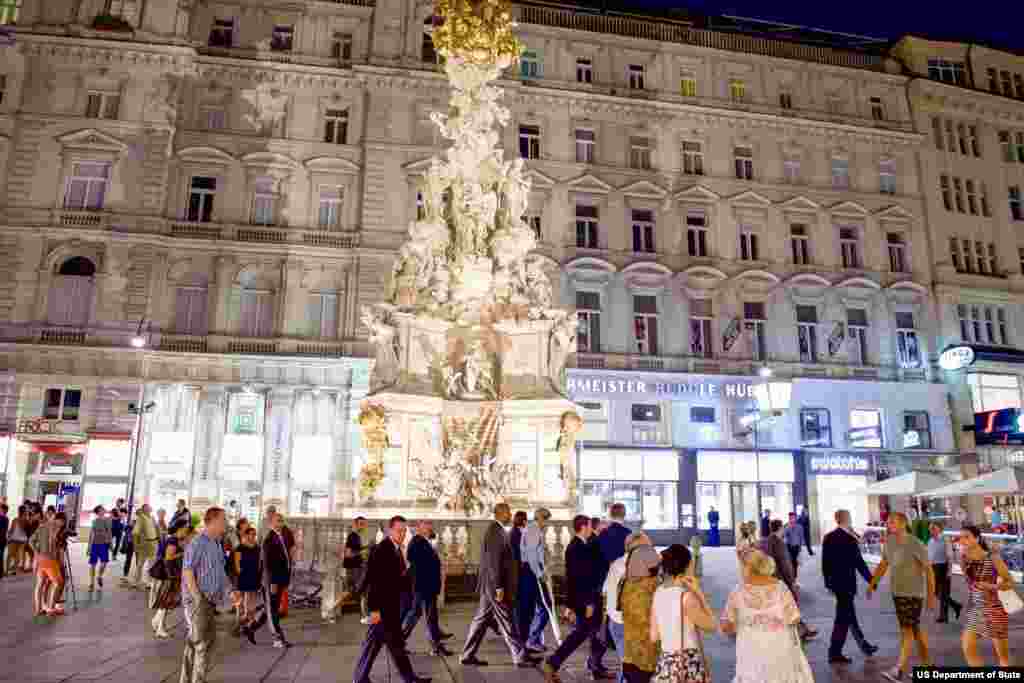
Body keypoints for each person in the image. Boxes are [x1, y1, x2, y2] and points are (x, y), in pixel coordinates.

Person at [352, 516, 432, 683]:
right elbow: (374, 582)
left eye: (405, 531)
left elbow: (396, 578)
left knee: (395, 646)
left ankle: (409, 678)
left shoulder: (395, 548)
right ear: (390, 530)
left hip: (391, 609)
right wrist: (373, 610)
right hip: (382, 610)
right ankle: (360, 678)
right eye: (399, 530)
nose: (402, 534)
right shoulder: (382, 549)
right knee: (376, 645)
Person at [461, 503, 538, 668]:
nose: (510, 515)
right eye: (508, 512)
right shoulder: (495, 531)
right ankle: (520, 656)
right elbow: (494, 562)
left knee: (480, 621)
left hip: (491, 586)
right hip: (494, 587)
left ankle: (467, 655)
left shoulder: (498, 530)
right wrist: (498, 587)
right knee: (507, 620)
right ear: (501, 513)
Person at [720, 550, 814, 683]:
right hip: (779, 648)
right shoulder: (781, 588)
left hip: (750, 650)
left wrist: (742, 625)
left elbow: (726, 627)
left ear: (748, 568)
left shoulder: (737, 592)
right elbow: (794, 618)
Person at [867, 511, 936, 682]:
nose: (888, 525)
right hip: (897, 592)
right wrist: (872, 583)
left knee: (906, 631)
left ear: (903, 524)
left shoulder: (915, 543)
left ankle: (898, 670)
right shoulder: (889, 542)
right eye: (888, 522)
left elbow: (929, 570)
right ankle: (928, 667)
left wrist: (931, 596)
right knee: (914, 630)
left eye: (891, 522)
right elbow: (884, 564)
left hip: (913, 594)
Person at [542, 515, 606, 683]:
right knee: (581, 633)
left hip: (585, 599)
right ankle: (553, 662)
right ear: (584, 527)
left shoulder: (580, 545)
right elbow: (580, 578)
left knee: (592, 632)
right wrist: (588, 603)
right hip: (586, 600)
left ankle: (592, 665)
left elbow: (573, 578)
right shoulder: (576, 547)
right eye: (590, 526)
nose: (592, 529)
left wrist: (570, 605)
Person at [180, 507, 239, 683]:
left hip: (210, 601)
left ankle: (188, 679)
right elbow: (188, 570)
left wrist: (230, 591)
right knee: (202, 643)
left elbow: (220, 572)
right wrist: (197, 597)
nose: (225, 524)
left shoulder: (216, 543)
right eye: (223, 520)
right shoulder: (197, 542)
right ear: (212, 521)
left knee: (200, 641)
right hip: (198, 601)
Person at [651, 544, 716, 683]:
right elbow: (712, 626)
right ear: (687, 566)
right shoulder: (686, 598)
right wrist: (700, 595)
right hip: (687, 664)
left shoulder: (658, 593)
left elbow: (654, 636)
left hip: (666, 664)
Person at [822, 509, 878, 664]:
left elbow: (825, 564)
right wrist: (872, 581)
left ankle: (864, 646)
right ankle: (834, 652)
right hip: (847, 585)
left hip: (837, 585)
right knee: (842, 620)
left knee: (849, 616)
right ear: (847, 519)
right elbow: (859, 563)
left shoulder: (828, 537)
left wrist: (829, 583)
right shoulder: (849, 539)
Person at [959, 524, 1015, 666]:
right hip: (976, 609)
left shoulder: (992, 557)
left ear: (977, 539)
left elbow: (1009, 582)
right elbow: (971, 585)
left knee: (1003, 658)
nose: (963, 541)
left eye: (967, 537)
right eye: (961, 538)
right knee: (967, 646)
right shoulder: (964, 559)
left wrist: (990, 586)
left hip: (994, 609)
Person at [402, 519, 453, 656]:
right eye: (427, 525)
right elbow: (414, 563)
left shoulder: (422, 541)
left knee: (418, 614)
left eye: (431, 525)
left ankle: (399, 642)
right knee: (428, 616)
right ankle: (436, 647)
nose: (430, 527)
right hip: (424, 586)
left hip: (425, 586)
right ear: (419, 527)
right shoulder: (417, 542)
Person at [759, 519, 816, 641]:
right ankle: (799, 631)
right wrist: (792, 581)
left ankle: (802, 629)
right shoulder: (779, 543)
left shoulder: (766, 541)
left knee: (786, 606)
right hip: (781, 580)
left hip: (770, 579)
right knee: (790, 605)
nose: (784, 530)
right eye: (783, 528)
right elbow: (785, 564)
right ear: (780, 528)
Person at [602, 532, 647, 683]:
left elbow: (605, 591)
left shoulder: (616, 563)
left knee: (627, 666)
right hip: (631, 625)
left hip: (615, 622)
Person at [620, 534, 662, 683]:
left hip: (634, 656)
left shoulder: (629, 579)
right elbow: (646, 620)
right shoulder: (644, 585)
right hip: (643, 660)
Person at [519, 507, 552, 654]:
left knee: (539, 608)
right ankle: (531, 640)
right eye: (546, 520)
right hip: (531, 572)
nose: (547, 524)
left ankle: (534, 640)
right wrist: (539, 573)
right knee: (545, 607)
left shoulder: (534, 529)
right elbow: (532, 555)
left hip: (532, 571)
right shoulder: (533, 530)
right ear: (540, 518)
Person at [152, 524, 190, 638]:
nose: (185, 532)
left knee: (166, 601)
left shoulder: (174, 539)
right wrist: (183, 552)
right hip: (170, 574)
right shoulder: (173, 540)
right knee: (166, 601)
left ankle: (157, 622)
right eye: (184, 529)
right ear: (179, 529)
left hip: (170, 574)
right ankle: (160, 628)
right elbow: (168, 557)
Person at [30, 511, 67, 616]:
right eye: (63, 523)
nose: (62, 525)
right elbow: (53, 542)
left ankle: (38, 609)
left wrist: (37, 553)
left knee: (40, 584)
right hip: (50, 559)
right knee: (58, 582)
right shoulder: (55, 527)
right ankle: (50, 609)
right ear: (62, 521)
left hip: (40, 559)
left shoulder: (42, 526)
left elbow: (31, 540)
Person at [928, 522, 962, 624]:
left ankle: (944, 616)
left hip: (943, 567)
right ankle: (956, 605)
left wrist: (949, 570)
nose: (931, 530)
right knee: (936, 592)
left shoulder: (945, 540)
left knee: (944, 592)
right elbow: (930, 556)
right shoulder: (930, 541)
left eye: (934, 528)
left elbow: (950, 556)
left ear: (940, 529)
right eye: (930, 529)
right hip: (934, 568)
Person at [344, 516, 371, 624]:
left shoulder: (355, 536)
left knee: (354, 592)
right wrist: (363, 552)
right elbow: (348, 554)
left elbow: (355, 551)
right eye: (361, 524)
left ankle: (330, 609)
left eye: (364, 524)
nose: (363, 526)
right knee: (362, 592)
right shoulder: (352, 536)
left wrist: (366, 548)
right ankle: (365, 616)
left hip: (356, 567)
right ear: (355, 524)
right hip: (354, 568)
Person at [234, 526, 261, 630]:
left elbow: (259, 561)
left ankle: (252, 617)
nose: (254, 536)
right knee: (243, 597)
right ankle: (243, 617)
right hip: (244, 575)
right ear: (246, 535)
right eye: (252, 534)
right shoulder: (240, 547)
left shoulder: (257, 547)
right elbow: (237, 564)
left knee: (253, 596)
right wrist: (240, 573)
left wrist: (259, 572)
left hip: (254, 575)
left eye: (255, 534)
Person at [126, 504, 159, 589]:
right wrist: (136, 545)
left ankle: (149, 582)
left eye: (149, 508)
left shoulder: (152, 518)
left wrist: (158, 539)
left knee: (151, 564)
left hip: (153, 543)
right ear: (144, 509)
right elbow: (135, 533)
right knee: (140, 564)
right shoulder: (141, 519)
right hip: (145, 544)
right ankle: (136, 581)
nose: (149, 509)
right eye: (147, 508)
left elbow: (156, 529)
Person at [86, 505, 113, 591]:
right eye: (102, 509)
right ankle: (91, 583)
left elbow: (109, 532)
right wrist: (89, 547)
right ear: (98, 512)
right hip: (95, 544)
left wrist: (111, 544)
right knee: (93, 564)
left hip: (104, 544)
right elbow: (91, 534)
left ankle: (100, 576)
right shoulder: (94, 521)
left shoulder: (108, 520)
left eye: (104, 509)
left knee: (104, 563)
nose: (104, 510)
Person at [6, 505, 28, 576]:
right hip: (20, 540)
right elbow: (11, 530)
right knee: (15, 556)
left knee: (11, 555)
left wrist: (8, 537)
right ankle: (12, 570)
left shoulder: (18, 520)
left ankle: (8, 570)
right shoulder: (21, 520)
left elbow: (11, 530)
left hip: (16, 539)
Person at [783, 513, 804, 578]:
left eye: (793, 518)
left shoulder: (799, 527)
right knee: (789, 563)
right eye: (790, 518)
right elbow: (784, 536)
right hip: (788, 547)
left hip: (796, 547)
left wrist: (800, 548)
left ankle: (794, 578)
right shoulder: (786, 526)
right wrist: (788, 527)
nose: (791, 519)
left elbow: (801, 538)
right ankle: (791, 577)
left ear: (795, 518)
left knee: (795, 563)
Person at [0, 503, 7, 579]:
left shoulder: (2, 518)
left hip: (1, 540)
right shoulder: (6, 518)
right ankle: (1, 572)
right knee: (1, 556)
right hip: (3, 540)